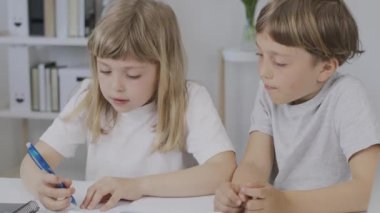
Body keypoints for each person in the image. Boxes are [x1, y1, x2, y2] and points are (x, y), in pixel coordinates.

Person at [20, 0, 236, 211]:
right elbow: (33, 162)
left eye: (132, 75)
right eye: (105, 70)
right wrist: (40, 185)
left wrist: (136, 186)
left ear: (164, 69)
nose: (115, 87)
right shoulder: (90, 96)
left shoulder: (190, 99)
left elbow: (223, 169)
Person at [214, 0, 380, 212]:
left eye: (280, 62)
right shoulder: (268, 91)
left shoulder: (346, 95)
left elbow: (370, 189)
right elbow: (255, 163)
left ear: (326, 67)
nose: (264, 71)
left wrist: (287, 202)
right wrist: (238, 193)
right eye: (260, 55)